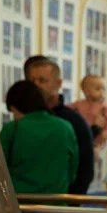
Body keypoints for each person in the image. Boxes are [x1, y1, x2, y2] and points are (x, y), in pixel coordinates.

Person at [0, 80, 78, 213]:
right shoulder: (65, 127)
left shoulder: (13, 129)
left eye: (13, 112)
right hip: (55, 212)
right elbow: (72, 172)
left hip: (19, 212)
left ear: (16, 107)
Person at [24, 56, 93, 194]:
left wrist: (69, 206)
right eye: (32, 81)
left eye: (42, 80)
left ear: (58, 83)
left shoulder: (74, 122)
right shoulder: (21, 121)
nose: (36, 85)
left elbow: (84, 170)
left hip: (60, 205)